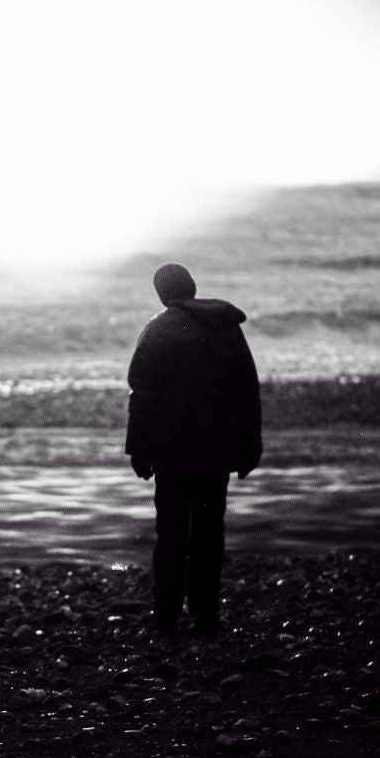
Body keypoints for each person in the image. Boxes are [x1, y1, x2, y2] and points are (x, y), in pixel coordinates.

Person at [126, 262, 262, 637]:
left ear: (161, 294)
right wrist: (251, 445)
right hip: (216, 451)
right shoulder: (226, 326)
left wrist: (138, 450)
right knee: (209, 536)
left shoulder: (156, 330)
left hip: (172, 454)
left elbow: (143, 397)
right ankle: (206, 618)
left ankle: (165, 619)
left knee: (170, 537)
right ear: (193, 286)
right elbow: (246, 390)